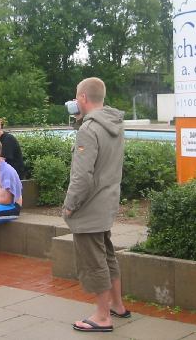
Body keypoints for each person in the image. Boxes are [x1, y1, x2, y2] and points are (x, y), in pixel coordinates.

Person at [62, 77, 129, 333]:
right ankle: (117, 305)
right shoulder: (114, 123)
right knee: (107, 255)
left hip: (89, 207)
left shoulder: (88, 130)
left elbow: (82, 177)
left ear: (82, 98)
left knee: (93, 262)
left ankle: (102, 316)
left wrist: (69, 207)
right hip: (107, 202)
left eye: (75, 97)